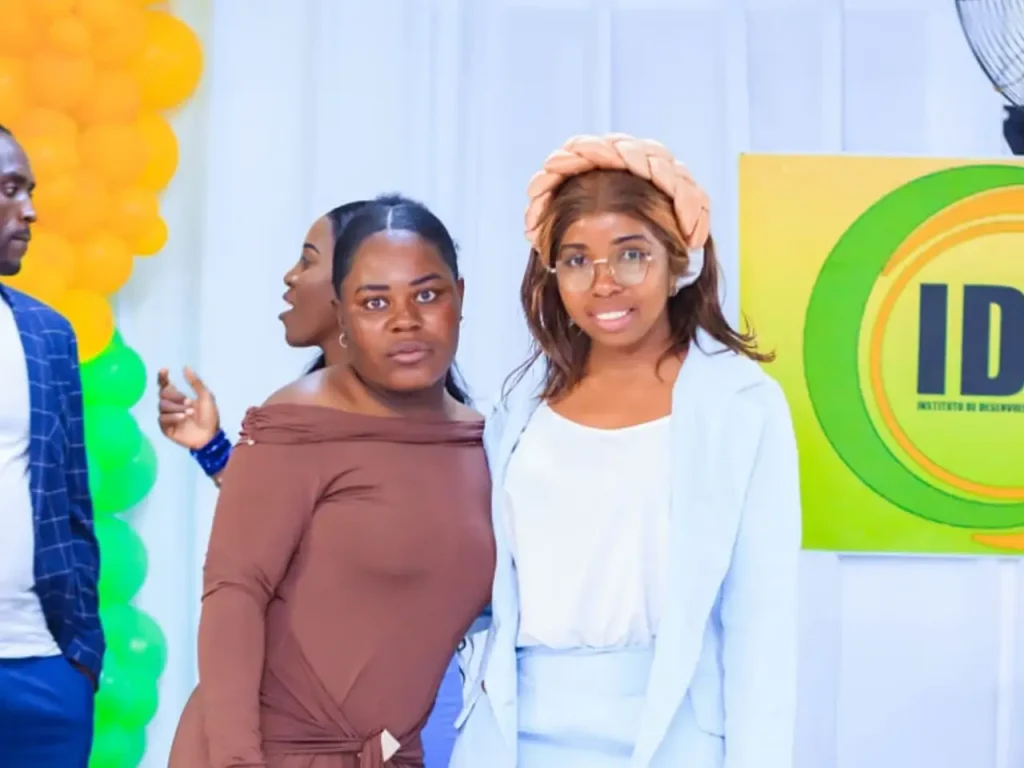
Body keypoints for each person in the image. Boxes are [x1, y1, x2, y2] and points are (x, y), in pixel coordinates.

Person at [451, 134, 801, 768]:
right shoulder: (520, 408)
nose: (604, 283)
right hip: (513, 736)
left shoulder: (741, 405)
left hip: (674, 737)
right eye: (576, 260)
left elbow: (762, 623)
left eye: (631, 255)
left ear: (679, 262)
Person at [168, 194, 495, 768]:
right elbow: (234, 594)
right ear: (342, 315)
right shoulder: (300, 420)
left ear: (460, 297)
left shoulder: (487, 442)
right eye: (375, 302)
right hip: (261, 752)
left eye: (426, 294)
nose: (405, 320)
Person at [0, 124, 103, 766]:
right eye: (10, 189)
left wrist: (81, 658)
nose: (30, 210)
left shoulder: (47, 333)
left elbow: (71, 500)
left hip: (42, 666)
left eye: (29, 190)